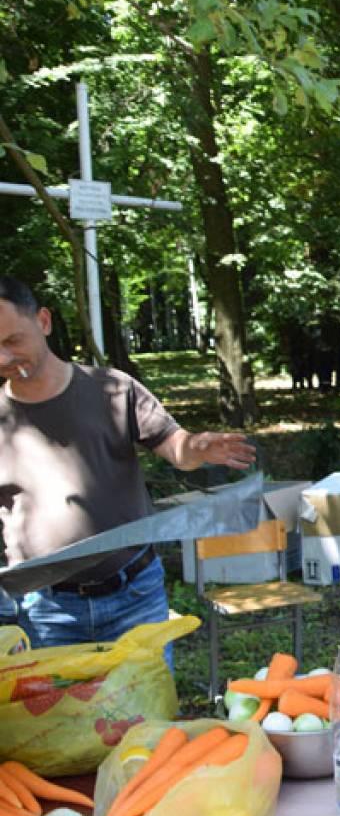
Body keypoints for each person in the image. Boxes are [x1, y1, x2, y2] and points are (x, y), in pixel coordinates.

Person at [0, 276, 256, 648]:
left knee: (145, 706)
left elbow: (176, 448)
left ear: (43, 321)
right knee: (58, 708)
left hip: (134, 595)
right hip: (43, 610)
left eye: (12, 341)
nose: (4, 358)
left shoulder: (113, 389)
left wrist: (196, 448)